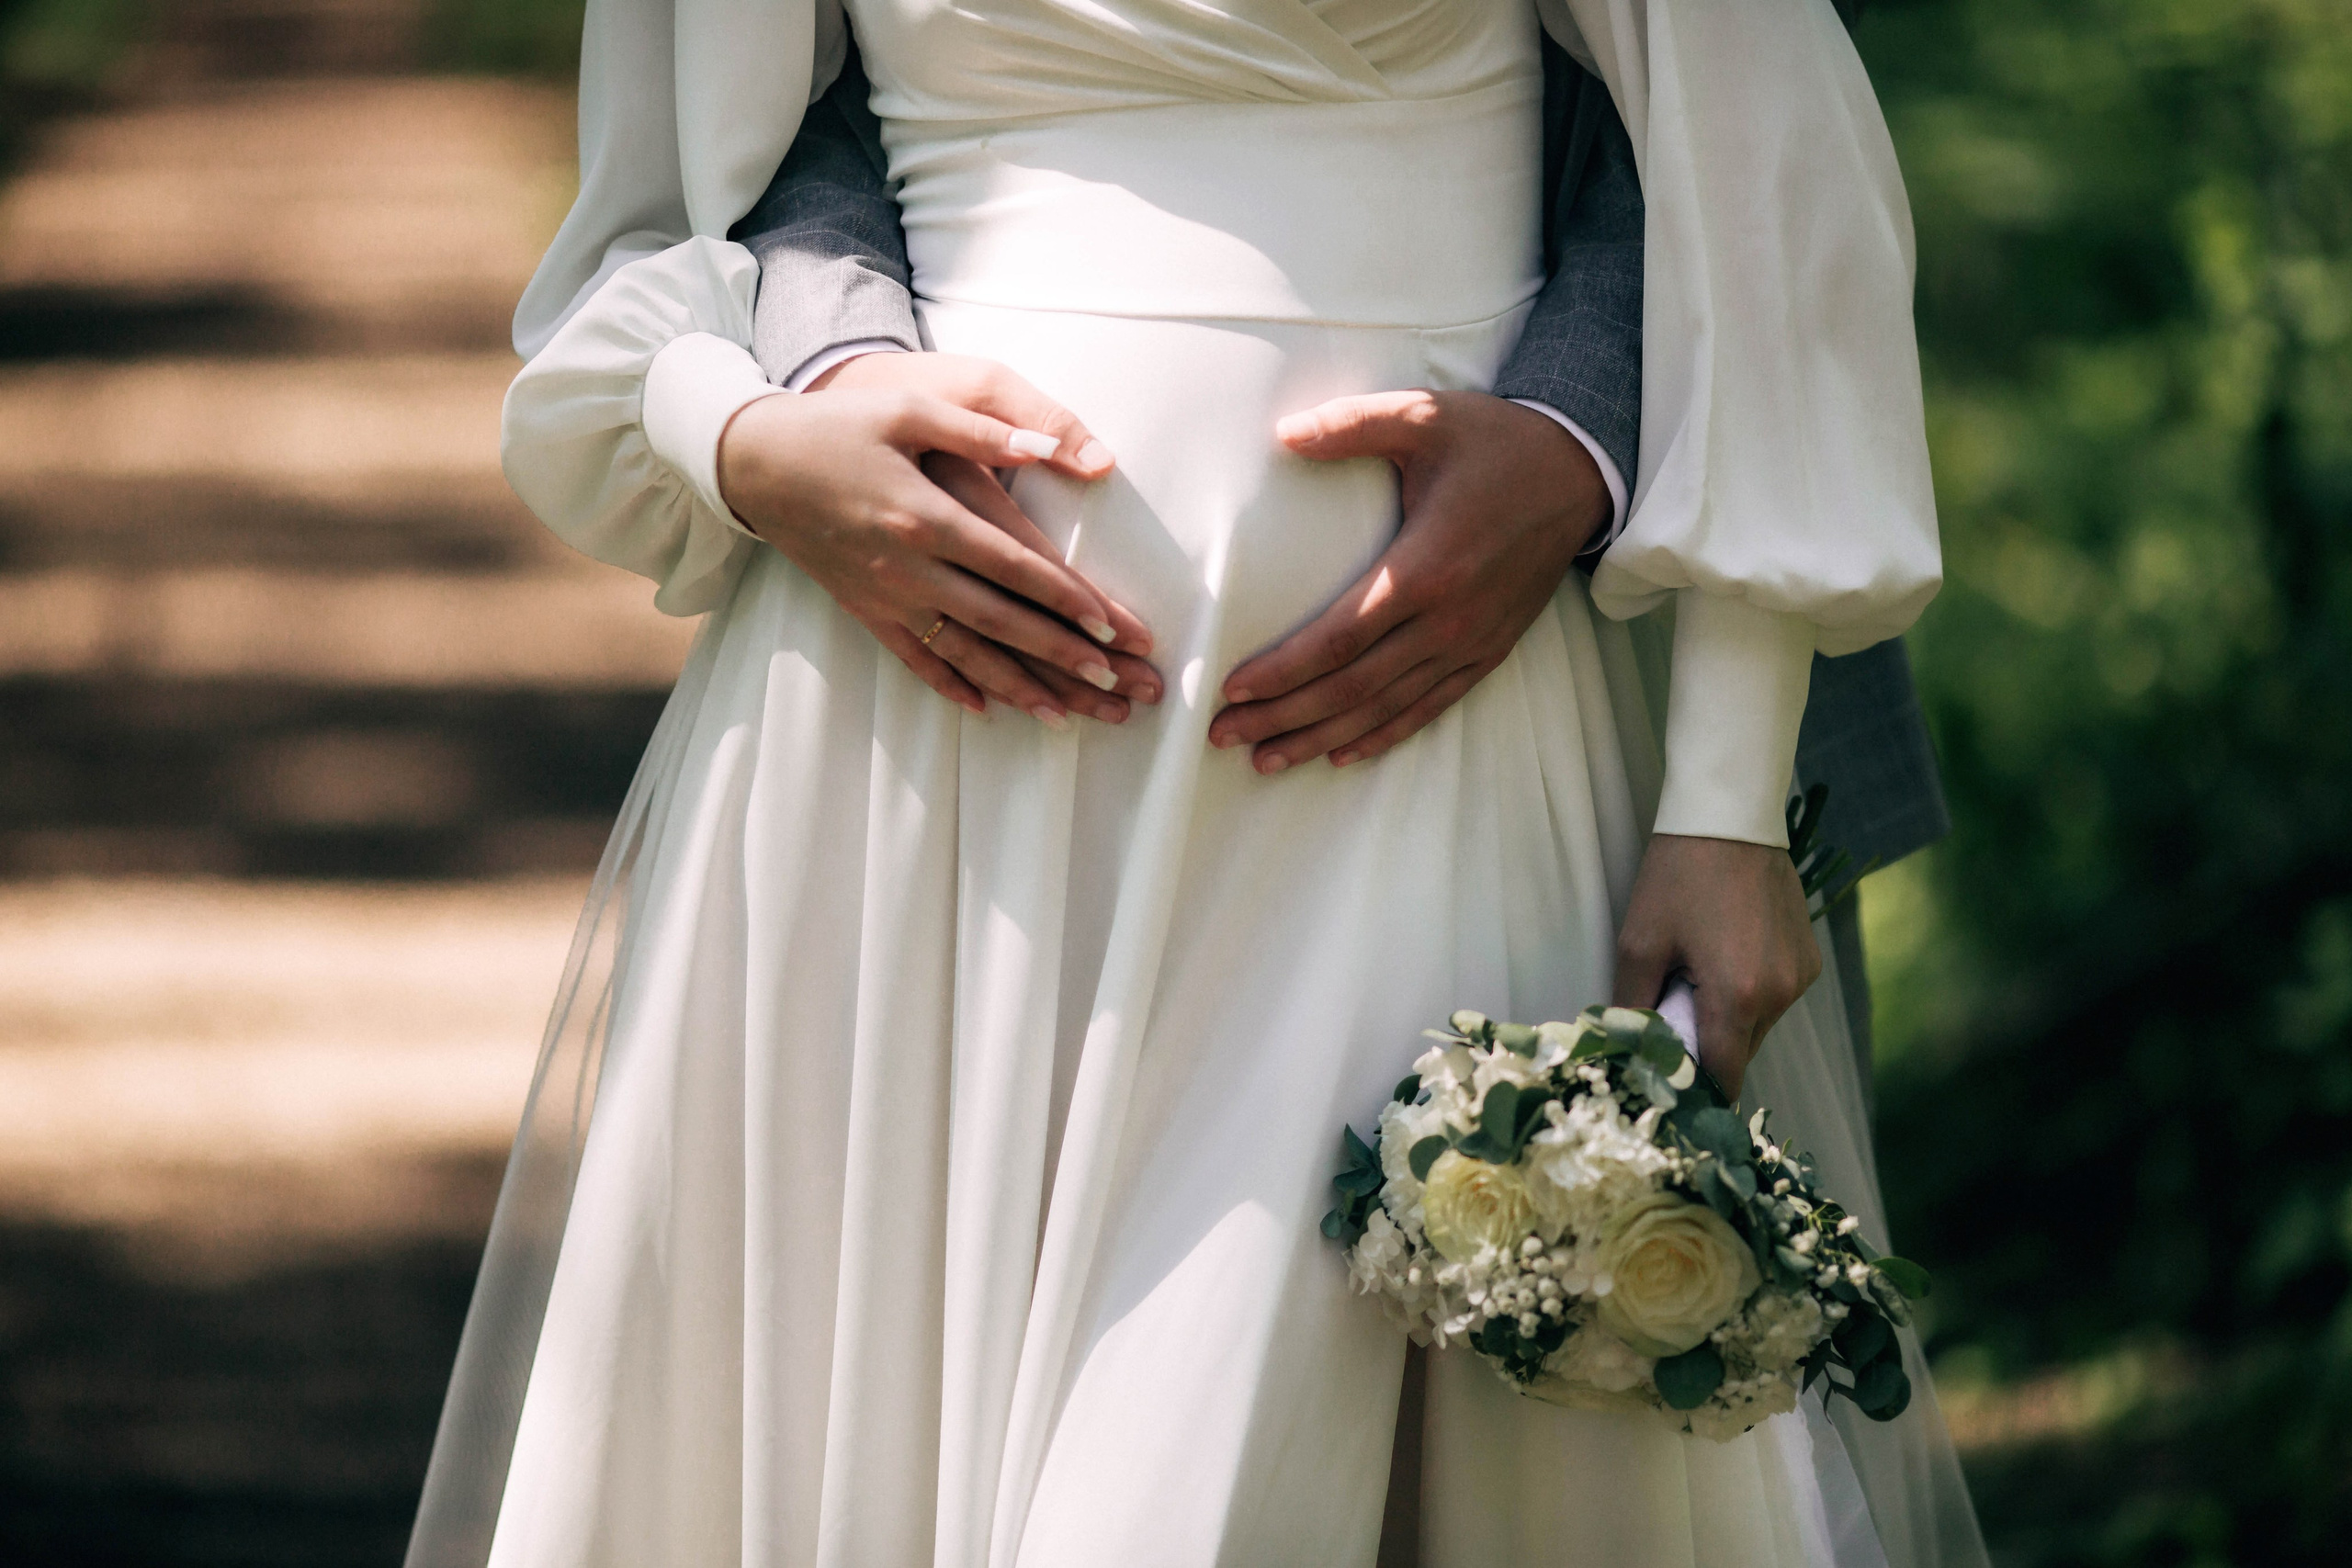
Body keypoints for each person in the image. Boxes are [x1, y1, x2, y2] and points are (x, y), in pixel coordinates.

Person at [408, 1, 1987, 1564]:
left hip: (1415, 747)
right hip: (917, 770)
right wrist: (759, 429)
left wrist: (1721, 791)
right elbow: (685, 192)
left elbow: (1764, 167)